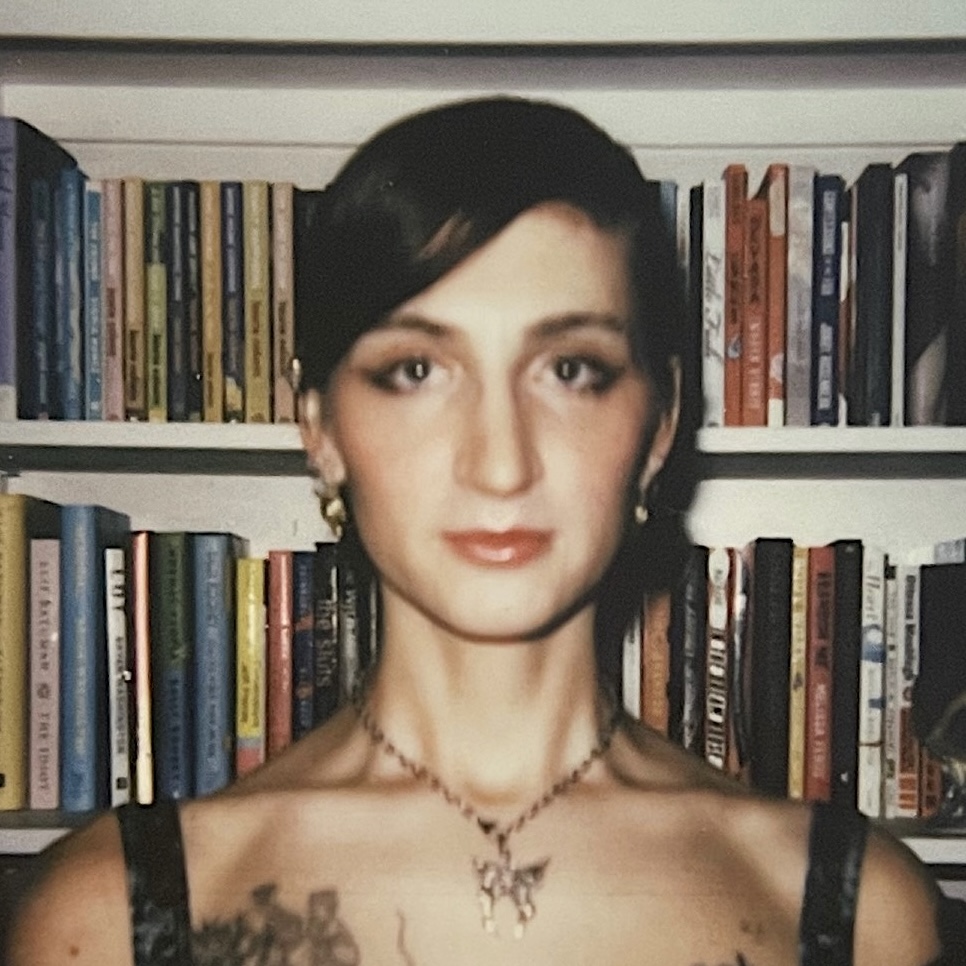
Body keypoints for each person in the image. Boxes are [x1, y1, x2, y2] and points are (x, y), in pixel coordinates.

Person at [6, 96, 954, 966]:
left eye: (572, 370)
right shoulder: (106, 917)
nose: (501, 465)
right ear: (320, 429)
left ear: (660, 428)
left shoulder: (859, 913)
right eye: (416, 371)